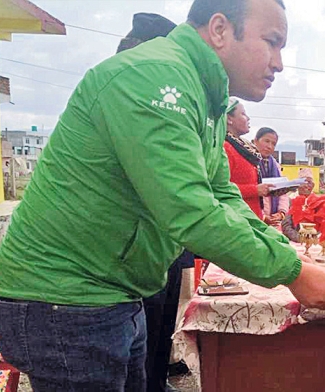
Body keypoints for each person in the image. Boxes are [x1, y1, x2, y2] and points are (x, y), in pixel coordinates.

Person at [0, 1, 325, 390]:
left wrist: (284, 250)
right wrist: (292, 273)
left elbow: (221, 195)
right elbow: (191, 212)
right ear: (219, 30)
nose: (279, 62)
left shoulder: (203, 97)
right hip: (66, 298)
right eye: (272, 42)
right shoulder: (156, 79)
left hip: (113, 291)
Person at [115, 13, 190, 392]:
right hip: (127, 252)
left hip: (161, 246)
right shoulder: (124, 96)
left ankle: (156, 380)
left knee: (160, 323)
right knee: (142, 329)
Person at [224, 98, 270, 219]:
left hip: (252, 216)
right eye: (243, 114)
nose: (248, 118)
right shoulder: (225, 147)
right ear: (229, 119)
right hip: (238, 219)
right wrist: (255, 190)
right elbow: (221, 188)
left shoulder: (243, 147)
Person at [255, 127, 289, 227]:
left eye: (273, 144)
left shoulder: (276, 166)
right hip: (253, 218)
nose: (269, 146)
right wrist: (262, 216)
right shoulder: (248, 162)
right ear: (256, 141)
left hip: (272, 220)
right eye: (266, 141)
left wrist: (281, 213)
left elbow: (282, 193)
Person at [280, 168, 314, 242]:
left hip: (313, 240)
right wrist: (300, 238)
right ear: (297, 185)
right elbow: (286, 226)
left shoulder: (317, 201)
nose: (306, 186)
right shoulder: (289, 201)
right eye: (303, 182)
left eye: (309, 182)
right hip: (294, 240)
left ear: (313, 185)